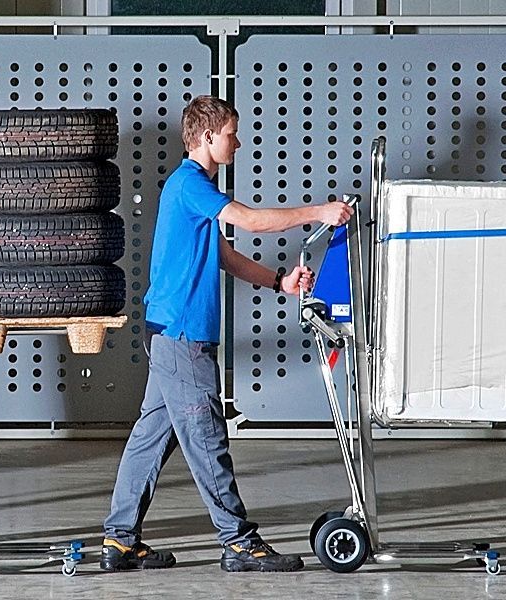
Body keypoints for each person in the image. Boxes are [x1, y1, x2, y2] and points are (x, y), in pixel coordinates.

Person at [98, 95, 353, 573]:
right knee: (206, 435)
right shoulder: (190, 184)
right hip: (182, 337)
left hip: (170, 334)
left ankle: (119, 541)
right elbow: (252, 220)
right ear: (209, 136)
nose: (238, 141)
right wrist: (319, 211)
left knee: (152, 438)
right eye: (232, 133)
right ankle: (238, 542)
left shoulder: (190, 193)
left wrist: (279, 281)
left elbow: (225, 255)